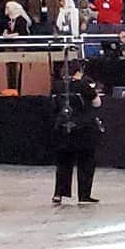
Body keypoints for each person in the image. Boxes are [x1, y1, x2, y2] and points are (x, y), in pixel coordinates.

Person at [51, 61, 102, 206]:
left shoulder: (57, 86)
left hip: (62, 128)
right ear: (78, 71)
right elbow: (97, 103)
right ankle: (84, 195)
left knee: (63, 163)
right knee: (86, 161)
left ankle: (59, 193)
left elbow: (53, 106)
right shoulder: (83, 85)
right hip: (83, 129)